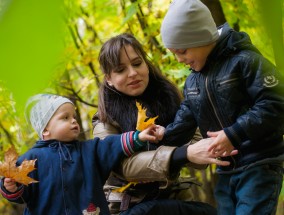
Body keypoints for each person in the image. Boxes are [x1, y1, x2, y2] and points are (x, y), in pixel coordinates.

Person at [160, 0, 284, 214]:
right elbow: (185, 120)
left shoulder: (245, 61)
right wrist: (164, 136)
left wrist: (233, 134)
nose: (179, 59)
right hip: (226, 169)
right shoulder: (193, 82)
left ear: (200, 37)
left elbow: (275, 102)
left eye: (182, 51)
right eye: (174, 53)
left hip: (259, 163)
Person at [93, 33, 237, 215]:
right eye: (120, 70)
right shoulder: (104, 119)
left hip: (173, 197)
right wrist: (184, 153)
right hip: (128, 206)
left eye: (137, 63)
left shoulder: (170, 99)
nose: (132, 73)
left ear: (146, 64)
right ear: (109, 79)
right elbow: (124, 166)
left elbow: (197, 143)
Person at [0, 94, 163, 215]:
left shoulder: (89, 150)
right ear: (45, 130)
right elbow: (18, 194)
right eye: (65, 118)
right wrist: (10, 186)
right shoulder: (31, 159)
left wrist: (138, 137)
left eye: (74, 117)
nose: (73, 121)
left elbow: (112, 145)